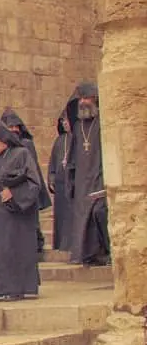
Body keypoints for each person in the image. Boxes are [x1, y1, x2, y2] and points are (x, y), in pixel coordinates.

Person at [0, 118, 42, 301]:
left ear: (5, 138)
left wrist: (14, 192)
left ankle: (15, 289)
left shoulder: (21, 154)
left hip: (13, 213)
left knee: (11, 249)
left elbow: (34, 182)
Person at [66, 82, 109, 266]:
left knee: (97, 213)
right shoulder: (77, 127)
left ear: (95, 100)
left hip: (98, 175)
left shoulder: (102, 123)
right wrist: (71, 177)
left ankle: (103, 252)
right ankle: (87, 255)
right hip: (82, 178)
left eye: (87, 98)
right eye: (81, 99)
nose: (83, 102)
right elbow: (74, 153)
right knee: (83, 216)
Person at [1, 107, 52, 255]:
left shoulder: (26, 144)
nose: (14, 129)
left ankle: (36, 244)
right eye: (10, 127)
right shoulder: (3, 147)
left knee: (31, 216)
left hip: (27, 184)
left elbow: (32, 167)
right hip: (11, 187)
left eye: (16, 126)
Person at [47, 105, 73, 252]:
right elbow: (53, 162)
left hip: (72, 184)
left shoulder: (77, 138)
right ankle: (60, 244)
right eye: (62, 120)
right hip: (60, 184)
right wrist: (51, 177)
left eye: (67, 120)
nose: (64, 123)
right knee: (61, 216)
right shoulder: (59, 141)